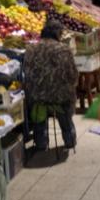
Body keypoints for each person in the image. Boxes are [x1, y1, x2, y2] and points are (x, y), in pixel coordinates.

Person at [22, 20, 78, 151]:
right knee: (65, 109)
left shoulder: (30, 49)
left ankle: (41, 142)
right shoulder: (64, 49)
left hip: (37, 97)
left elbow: (27, 74)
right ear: (57, 34)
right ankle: (70, 139)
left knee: (38, 110)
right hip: (61, 96)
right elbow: (73, 74)